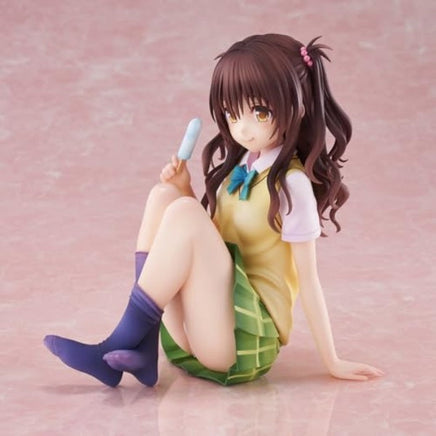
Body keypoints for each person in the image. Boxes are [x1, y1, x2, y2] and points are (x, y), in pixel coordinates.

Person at [44, 33, 383, 387]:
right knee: (163, 196)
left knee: (184, 210)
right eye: (231, 113)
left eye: (260, 112)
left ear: (296, 107)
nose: (242, 128)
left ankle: (118, 344)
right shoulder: (240, 169)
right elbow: (207, 244)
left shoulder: (291, 185)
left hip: (241, 342)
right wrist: (184, 190)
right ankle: (142, 344)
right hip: (203, 327)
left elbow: (309, 280)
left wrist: (332, 360)